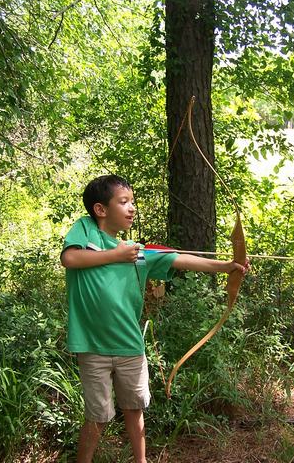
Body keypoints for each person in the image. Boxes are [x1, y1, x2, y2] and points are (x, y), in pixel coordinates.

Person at [60, 175, 249, 463]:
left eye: (132, 201)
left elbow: (180, 259)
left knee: (135, 410)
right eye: (123, 202)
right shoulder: (86, 232)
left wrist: (227, 266)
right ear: (100, 210)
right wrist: (117, 254)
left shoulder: (138, 253)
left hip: (130, 347)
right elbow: (70, 259)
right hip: (93, 346)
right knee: (97, 416)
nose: (132, 207)